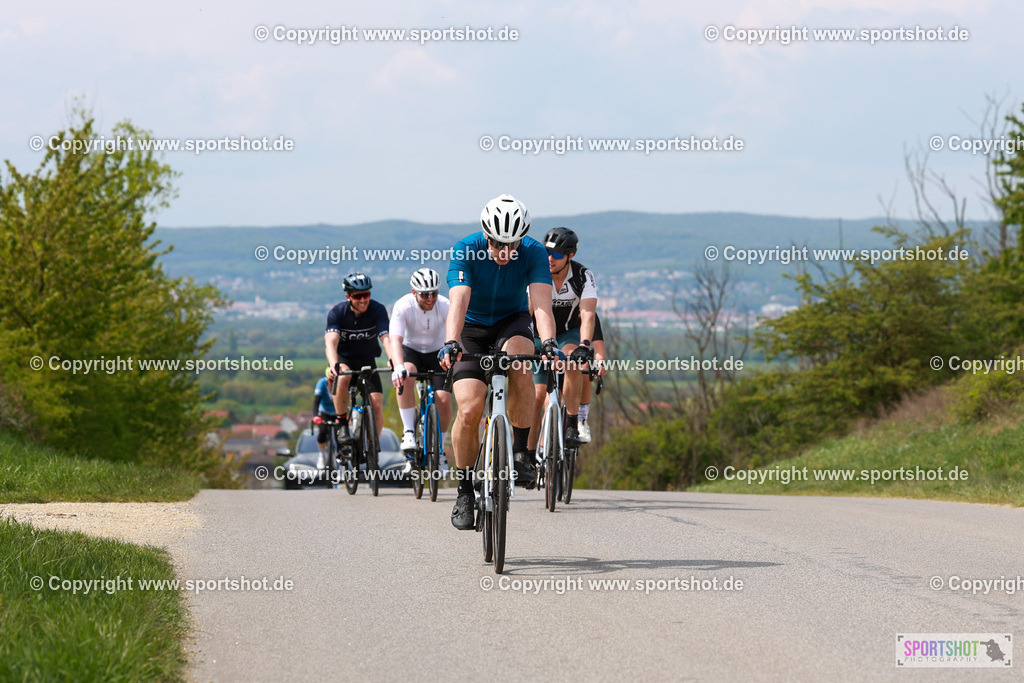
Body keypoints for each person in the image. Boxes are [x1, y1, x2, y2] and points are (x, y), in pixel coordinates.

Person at [438, 194, 559, 531]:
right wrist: (451, 341)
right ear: (485, 236)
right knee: (469, 408)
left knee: (522, 360)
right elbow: (459, 300)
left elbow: (541, 304)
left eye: (512, 244)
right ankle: (464, 490)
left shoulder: (534, 252)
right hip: (471, 329)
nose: (504, 252)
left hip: (511, 321)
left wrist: (548, 342)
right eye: (497, 244)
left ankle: (520, 452)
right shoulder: (466, 248)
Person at [526, 227, 598, 456]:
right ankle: (527, 454)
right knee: (537, 397)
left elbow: (588, 314)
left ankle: (571, 424)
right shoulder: (536, 274)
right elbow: (526, 312)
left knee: (573, 361)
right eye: (547, 252)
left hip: (567, 333)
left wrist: (585, 345)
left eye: (556, 255)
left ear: (570, 256)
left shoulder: (582, 276)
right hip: (538, 337)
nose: (549, 259)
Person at [389, 268, 453, 467]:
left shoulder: (445, 305)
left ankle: (440, 449)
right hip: (412, 351)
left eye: (434, 292)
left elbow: (455, 333)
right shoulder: (403, 306)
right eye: (425, 294)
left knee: (444, 398)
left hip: (437, 352)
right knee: (405, 375)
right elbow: (395, 340)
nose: (430, 298)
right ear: (414, 292)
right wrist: (398, 366)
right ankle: (409, 431)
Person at [324, 272, 395, 445]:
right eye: (358, 296)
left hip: (367, 361)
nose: (363, 300)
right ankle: (341, 423)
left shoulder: (377, 310)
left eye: (367, 294)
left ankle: (373, 447)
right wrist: (334, 364)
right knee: (344, 375)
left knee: (377, 406)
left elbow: (386, 338)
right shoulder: (338, 312)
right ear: (348, 296)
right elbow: (331, 342)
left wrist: (393, 359)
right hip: (344, 358)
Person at [576, 313, 608, 443]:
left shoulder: (589, 315)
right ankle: (543, 446)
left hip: (581, 359)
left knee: (584, 370)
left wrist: (600, 363)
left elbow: (599, 349)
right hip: (561, 358)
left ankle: (582, 420)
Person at [311, 373, 338, 468]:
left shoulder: (341, 382)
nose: (332, 383)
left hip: (338, 412)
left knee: (341, 436)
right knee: (322, 431)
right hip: (324, 412)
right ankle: (321, 455)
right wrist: (315, 417)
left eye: (334, 381)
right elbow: (316, 402)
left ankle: (341, 464)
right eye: (330, 381)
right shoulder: (322, 383)